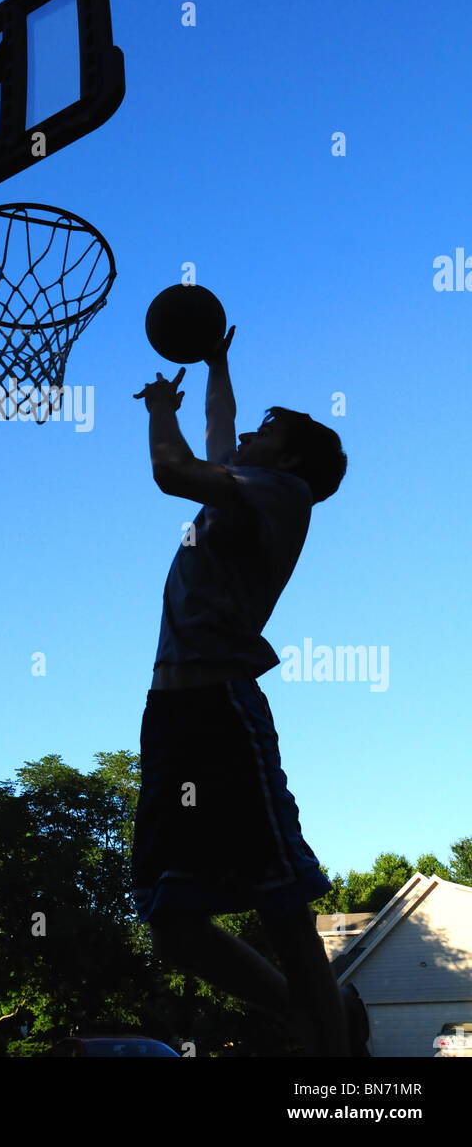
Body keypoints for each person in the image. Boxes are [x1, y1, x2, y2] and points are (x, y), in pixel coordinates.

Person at [132, 327, 355, 1057]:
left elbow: (172, 468)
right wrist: (216, 363)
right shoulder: (243, 484)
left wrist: (158, 407)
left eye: (268, 429)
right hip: (170, 714)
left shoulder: (284, 493)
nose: (248, 434)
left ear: (287, 459)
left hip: (223, 707)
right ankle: (313, 1018)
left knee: (282, 907)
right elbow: (219, 431)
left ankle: (335, 1074)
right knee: (170, 920)